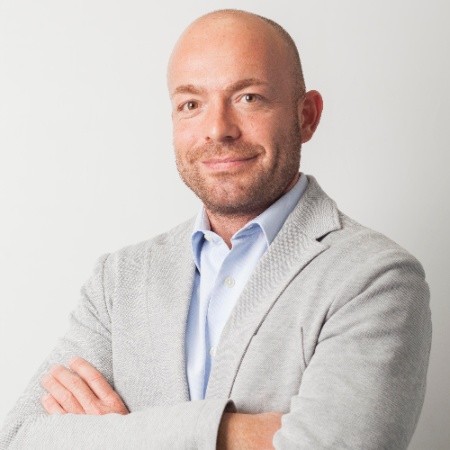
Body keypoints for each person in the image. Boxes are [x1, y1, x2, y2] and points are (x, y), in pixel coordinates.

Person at [0, 9, 431, 450]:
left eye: (248, 98)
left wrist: (117, 434)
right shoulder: (119, 282)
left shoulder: (374, 277)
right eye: (191, 104)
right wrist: (227, 431)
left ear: (307, 116)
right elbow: (19, 438)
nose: (218, 129)